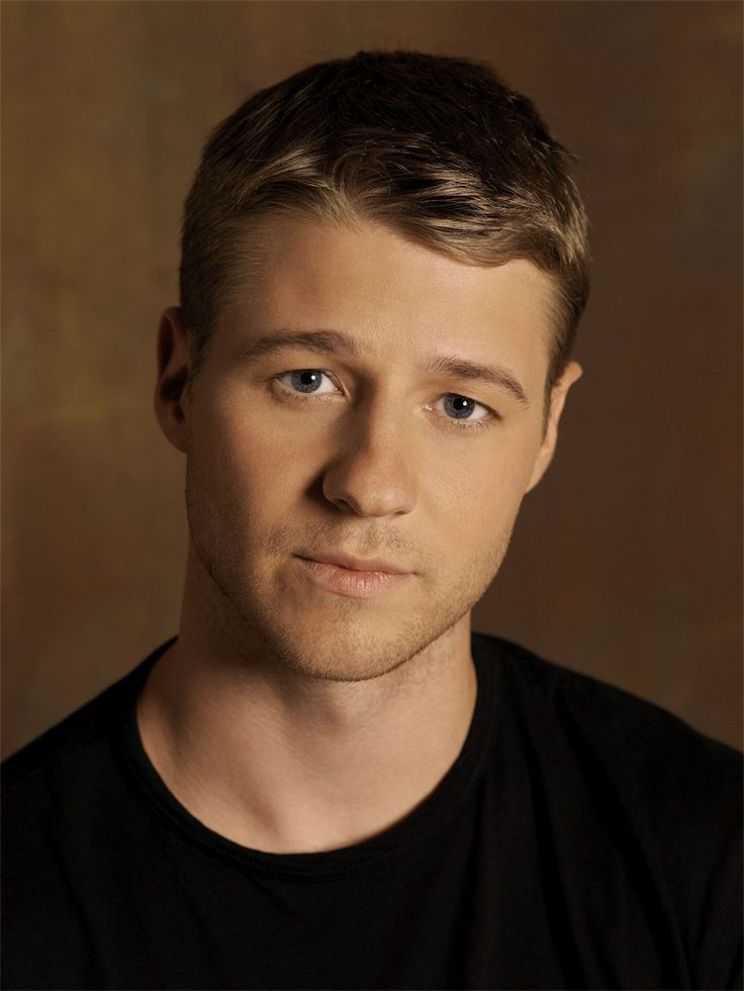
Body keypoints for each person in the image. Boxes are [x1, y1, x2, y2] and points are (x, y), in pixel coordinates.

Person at [2, 50, 741, 991]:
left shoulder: (710, 864)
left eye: (461, 404)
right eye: (307, 379)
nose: (370, 483)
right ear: (179, 381)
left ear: (548, 430)